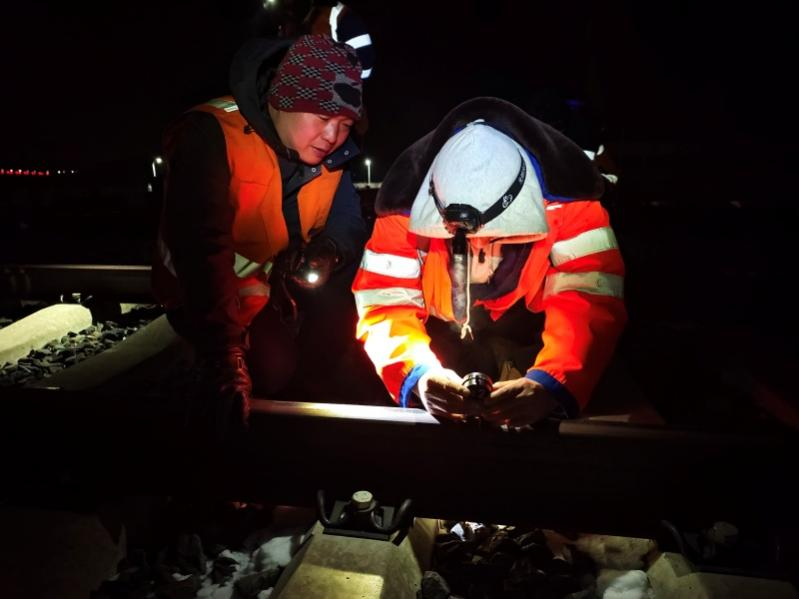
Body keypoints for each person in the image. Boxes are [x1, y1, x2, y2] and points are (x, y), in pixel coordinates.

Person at [352, 97, 626, 427]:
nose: (481, 251)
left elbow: (591, 296)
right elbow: (385, 301)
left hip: (533, 327)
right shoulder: (402, 210)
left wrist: (553, 383)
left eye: (498, 238)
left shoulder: (571, 204)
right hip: (438, 332)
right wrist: (417, 374)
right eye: (461, 240)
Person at [152, 34, 368, 439]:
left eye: (345, 125)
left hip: (266, 286)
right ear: (283, 100)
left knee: (330, 338)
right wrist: (223, 356)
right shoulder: (211, 133)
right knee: (265, 374)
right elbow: (201, 248)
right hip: (196, 292)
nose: (332, 136)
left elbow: (348, 219)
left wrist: (328, 251)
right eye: (322, 117)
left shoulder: (332, 157)